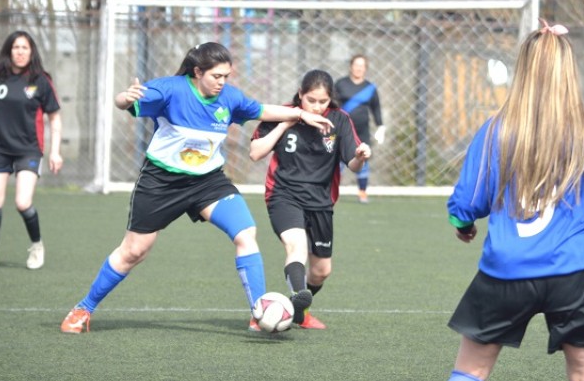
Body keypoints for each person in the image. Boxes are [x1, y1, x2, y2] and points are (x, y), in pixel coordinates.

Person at [429, 20, 584, 381]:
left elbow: (466, 204)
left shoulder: (496, 131)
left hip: (506, 269)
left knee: (471, 370)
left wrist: (463, 226)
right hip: (574, 272)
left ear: (523, 71)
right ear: (569, 70)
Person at [60, 42, 333, 334]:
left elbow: (262, 110)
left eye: (227, 76)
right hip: (162, 183)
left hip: (208, 182)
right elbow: (125, 101)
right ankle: (83, 309)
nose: (222, 82)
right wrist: (123, 98)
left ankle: (258, 313)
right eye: (217, 76)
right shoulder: (170, 89)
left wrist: (299, 114)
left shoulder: (229, 97)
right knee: (134, 251)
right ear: (197, 71)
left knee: (245, 233)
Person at [250, 69, 371, 331]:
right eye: (311, 100)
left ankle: (294, 311)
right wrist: (286, 123)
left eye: (323, 102)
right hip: (283, 194)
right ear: (300, 95)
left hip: (321, 202)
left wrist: (361, 156)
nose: (316, 107)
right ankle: (281, 307)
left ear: (331, 100)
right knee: (296, 249)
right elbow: (255, 153)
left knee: (321, 271)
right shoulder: (282, 113)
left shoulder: (339, 120)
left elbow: (353, 165)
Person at [0, 30, 63, 270]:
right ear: (9, 51)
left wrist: (55, 151)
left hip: (29, 149)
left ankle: (37, 245)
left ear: (32, 52)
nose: (20, 52)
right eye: (16, 47)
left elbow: (55, 118)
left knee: (22, 202)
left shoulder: (40, 80)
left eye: (25, 48)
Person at [334, 54, 384, 204]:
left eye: (362, 66)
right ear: (351, 66)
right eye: (356, 65)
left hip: (362, 132)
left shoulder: (370, 88)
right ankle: (332, 191)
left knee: (363, 160)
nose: (358, 68)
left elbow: (376, 108)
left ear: (366, 69)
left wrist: (381, 126)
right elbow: (332, 105)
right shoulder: (340, 84)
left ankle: (362, 192)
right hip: (341, 130)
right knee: (337, 162)